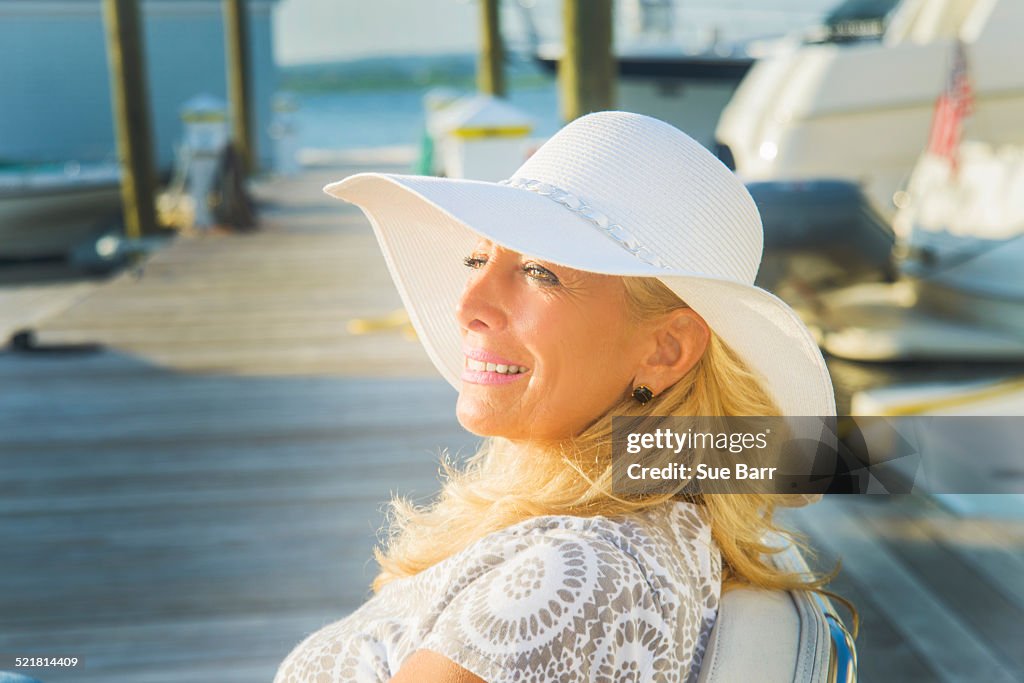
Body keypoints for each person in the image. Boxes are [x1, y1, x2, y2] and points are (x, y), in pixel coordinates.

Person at [274, 111, 837, 683]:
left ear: (666, 349)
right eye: (478, 259)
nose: (469, 305)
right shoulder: (629, 532)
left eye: (538, 271)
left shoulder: (574, 577)